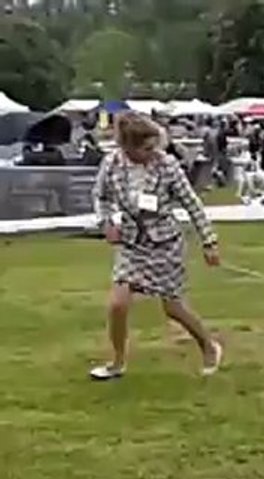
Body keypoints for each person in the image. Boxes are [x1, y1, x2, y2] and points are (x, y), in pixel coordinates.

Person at [90, 113, 223, 381]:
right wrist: (106, 223)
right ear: (127, 146)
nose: (154, 152)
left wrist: (209, 241)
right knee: (117, 304)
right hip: (131, 244)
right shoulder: (111, 163)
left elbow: (192, 204)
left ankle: (209, 346)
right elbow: (100, 197)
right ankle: (117, 362)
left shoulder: (167, 165)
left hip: (165, 244)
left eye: (155, 146)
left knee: (173, 308)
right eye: (147, 148)